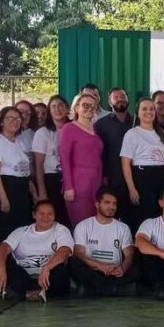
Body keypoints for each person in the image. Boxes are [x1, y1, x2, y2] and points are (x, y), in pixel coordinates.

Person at [0, 200, 73, 302]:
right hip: (24, 278)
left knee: (62, 269)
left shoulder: (61, 230)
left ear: (54, 216)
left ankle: (21, 295)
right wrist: (1, 268)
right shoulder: (21, 231)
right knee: (1, 261)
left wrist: (47, 267)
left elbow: (65, 250)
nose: (46, 217)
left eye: (49, 214)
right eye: (41, 214)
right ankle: (34, 294)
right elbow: (3, 248)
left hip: (47, 278)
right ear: (34, 215)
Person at [70, 188, 136, 297]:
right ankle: (111, 288)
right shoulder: (83, 225)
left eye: (114, 203)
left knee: (137, 268)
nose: (111, 207)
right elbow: (79, 253)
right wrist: (100, 266)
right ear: (97, 204)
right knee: (74, 265)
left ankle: (98, 289)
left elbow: (129, 255)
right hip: (92, 270)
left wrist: (122, 268)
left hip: (115, 271)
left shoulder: (123, 228)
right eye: (107, 203)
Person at [121, 98, 164, 230]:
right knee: (144, 214)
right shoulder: (132, 134)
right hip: (142, 176)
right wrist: (131, 189)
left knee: (160, 213)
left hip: (161, 176)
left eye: (151, 109)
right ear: (138, 113)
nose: (148, 112)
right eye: (144, 109)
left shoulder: (161, 134)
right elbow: (125, 162)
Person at [0, 106, 35, 259]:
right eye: (10, 118)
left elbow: (25, 173)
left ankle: (17, 268)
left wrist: (34, 194)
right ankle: (0, 269)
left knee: (21, 231)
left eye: (18, 118)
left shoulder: (19, 142)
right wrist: (3, 199)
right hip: (7, 189)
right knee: (5, 232)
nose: (15, 121)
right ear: (2, 121)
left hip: (22, 190)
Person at [60, 93, 105, 228]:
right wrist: (68, 187)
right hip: (78, 185)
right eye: (85, 105)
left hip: (96, 185)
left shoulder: (96, 130)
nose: (90, 109)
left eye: (93, 106)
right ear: (76, 107)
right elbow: (64, 158)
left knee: (95, 225)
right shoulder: (69, 128)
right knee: (82, 225)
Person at [33, 95, 70, 228]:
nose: (57, 109)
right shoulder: (43, 133)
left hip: (71, 180)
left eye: (60, 105)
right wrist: (42, 191)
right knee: (55, 222)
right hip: (52, 181)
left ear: (68, 109)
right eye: (53, 106)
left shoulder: (74, 129)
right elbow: (38, 165)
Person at [95, 87, 133, 217]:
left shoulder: (136, 122)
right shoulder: (100, 125)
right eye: (116, 97)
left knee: (133, 216)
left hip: (135, 179)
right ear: (110, 102)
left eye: (123, 97)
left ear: (128, 100)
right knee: (113, 216)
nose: (120, 99)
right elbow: (97, 153)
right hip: (111, 178)